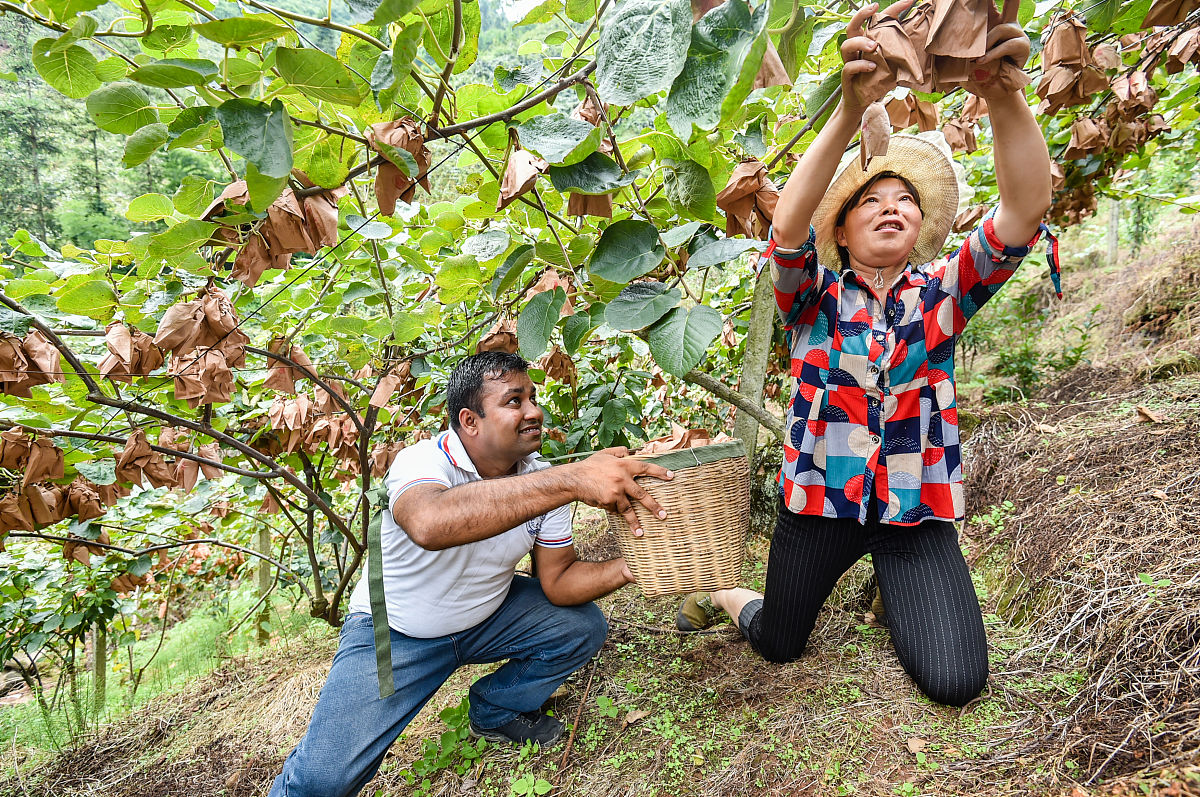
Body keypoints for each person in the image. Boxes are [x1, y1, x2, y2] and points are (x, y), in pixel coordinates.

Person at [677, 0, 1054, 707]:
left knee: (955, 680)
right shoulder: (812, 300)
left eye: (905, 200)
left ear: (919, 226)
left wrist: (1004, 97)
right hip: (821, 505)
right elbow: (786, 229)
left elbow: (1024, 212)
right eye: (870, 199)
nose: (891, 205)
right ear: (843, 232)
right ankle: (729, 591)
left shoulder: (941, 297)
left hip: (913, 509)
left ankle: (895, 580)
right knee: (781, 641)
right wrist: (848, 113)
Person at [270, 351, 673, 797]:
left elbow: (559, 584)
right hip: (395, 633)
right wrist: (572, 479)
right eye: (514, 401)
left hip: (487, 615)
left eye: (533, 398)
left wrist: (633, 568)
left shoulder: (545, 481)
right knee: (323, 782)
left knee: (580, 626)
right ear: (470, 420)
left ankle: (496, 709)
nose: (534, 412)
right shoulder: (422, 461)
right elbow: (429, 523)